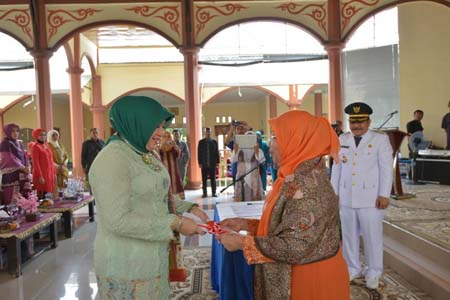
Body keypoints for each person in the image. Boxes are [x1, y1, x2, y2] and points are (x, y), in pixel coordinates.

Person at [217, 110, 349, 300]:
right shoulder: (295, 175)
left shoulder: (308, 185)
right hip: (297, 274)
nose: (271, 148)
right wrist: (245, 224)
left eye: (278, 137)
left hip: (310, 281)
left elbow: (295, 245)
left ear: (297, 141)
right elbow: (286, 226)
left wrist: (242, 243)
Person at [89, 96, 208, 299]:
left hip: (151, 258)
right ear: (137, 123)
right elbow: (117, 220)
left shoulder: (143, 152)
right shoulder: (112, 159)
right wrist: (176, 222)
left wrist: (188, 207)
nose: (162, 132)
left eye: (162, 126)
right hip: (126, 265)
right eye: (156, 126)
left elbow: (155, 196)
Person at [331, 102, 393, 289]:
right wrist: (334, 193)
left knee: (372, 236)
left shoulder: (380, 140)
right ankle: (352, 267)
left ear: (368, 121)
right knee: (349, 235)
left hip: (370, 198)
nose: (357, 126)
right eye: (353, 122)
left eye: (361, 122)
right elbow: (336, 167)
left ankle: (374, 271)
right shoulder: (343, 139)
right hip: (346, 196)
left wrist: (384, 194)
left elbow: (385, 169)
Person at [0, 124, 31, 205]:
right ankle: (12, 215)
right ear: (7, 132)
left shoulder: (19, 143)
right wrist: (22, 167)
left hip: (22, 173)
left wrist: (27, 167)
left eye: (17, 131)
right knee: (12, 197)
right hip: (11, 175)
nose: (15, 133)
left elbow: (25, 156)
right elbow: (8, 158)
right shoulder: (4, 143)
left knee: (23, 197)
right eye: (12, 131)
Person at [231, 131, 265, 201]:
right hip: (241, 176)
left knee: (254, 199)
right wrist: (235, 151)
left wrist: (257, 152)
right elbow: (233, 160)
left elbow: (262, 161)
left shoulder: (258, 150)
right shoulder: (239, 149)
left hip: (254, 177)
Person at [31, 128, 56, 198]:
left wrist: (54, 173)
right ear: (36, 136)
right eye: (41, 135)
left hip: (49, 174)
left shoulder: (46, 145)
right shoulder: (35, 147)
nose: (43, 136)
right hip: (42, 175)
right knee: (43, 196)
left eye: (44, 135)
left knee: (49, 195)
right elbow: (35, 163)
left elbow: (51, 160)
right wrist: (40, 176)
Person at [160, 130, 185, 199]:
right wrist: (162, 145)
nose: (166, 138)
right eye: (164, 136)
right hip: (163, 172)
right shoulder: (159, 147)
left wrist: (174, 145)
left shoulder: (173, 146)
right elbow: (157, 155)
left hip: (173, 172)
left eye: (168, 136)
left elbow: (179, 154)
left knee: (175, 187)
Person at [224, 121, 249, 185]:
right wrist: (231, 128)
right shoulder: (234, 141)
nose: (240, 130)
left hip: (247, 167)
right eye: (238, 129)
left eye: (242, 129)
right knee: (237, 188)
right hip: (236, 167)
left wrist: (246, 127)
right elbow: (226, 142)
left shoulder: (249, 139)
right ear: (236, 131)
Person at [197, 127, 220, 198]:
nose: (208, 133)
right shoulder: (201, 142)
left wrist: (217, 162)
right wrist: (199, 162)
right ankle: (204, 193)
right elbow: (199, 153)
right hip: (204, 163)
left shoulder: (214, 142)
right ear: (204, 133)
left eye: (209, 132)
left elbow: (216, 152)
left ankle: (214, 192)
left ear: (210, 132)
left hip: (212, 163)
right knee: (204, 179)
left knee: (213, 179)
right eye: (206, 132)